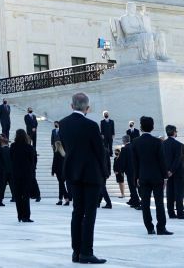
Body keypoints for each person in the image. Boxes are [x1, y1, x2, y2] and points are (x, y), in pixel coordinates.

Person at [58, 92, 107, 264]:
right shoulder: (92, 125)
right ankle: (86, 252)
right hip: (91, 174)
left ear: (72, 106)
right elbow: (100, 152)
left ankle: (76, 251)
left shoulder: (63, 124)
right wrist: (104, 173)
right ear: (87, 108)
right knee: (90, 214)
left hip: (72, 173)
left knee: (77, 212)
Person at [132, 116, 171, 235]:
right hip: (157, 176)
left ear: (140, 127)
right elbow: (161, 160)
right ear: (152, 127)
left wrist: (136, 177)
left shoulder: (135, 142)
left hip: (143, 176)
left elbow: (135, 162)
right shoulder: (157, 142)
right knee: (159, 202)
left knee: (145, 203)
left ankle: (149, 227)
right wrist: (165, 177)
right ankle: (161, 227)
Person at [162, 125, 184, 219]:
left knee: (170, 193)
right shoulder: (178, 144)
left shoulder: (163, 144)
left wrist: (167, 171)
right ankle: (180, 213)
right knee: (179, 193)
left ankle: (171, 213)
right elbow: (177, 159)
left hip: (167, 172)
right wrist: (172, 170)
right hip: (178, 172)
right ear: (174, 132)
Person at [9, 129, 37, 222]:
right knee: (25, 196)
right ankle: (26, 216)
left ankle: (20, 216)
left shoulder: (13, 146)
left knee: (17, 196)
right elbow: (32, 162)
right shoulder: (29, 147)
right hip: (26, 174)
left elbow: (11, 159)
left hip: (16, 174)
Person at [52, 139, 70, 205]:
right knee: (61, 185)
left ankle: (67, 198)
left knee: (61, 185)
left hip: (58, 172)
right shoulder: (64, 154)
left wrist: (52, 171)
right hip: (64, 171)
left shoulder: (56, 153)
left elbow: (54, 163)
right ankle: (60, 199)